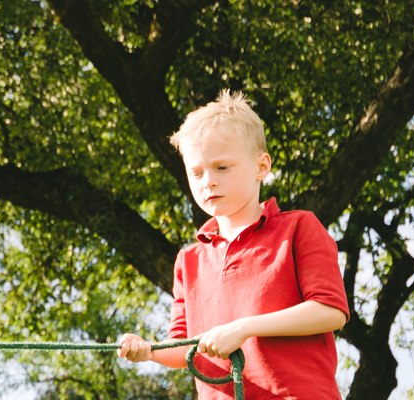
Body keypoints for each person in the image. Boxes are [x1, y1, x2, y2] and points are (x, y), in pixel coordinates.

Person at [117, 90, 350, 399]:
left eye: (222, 167)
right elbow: (186, 347)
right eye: (197, 172)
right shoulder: (189, 260)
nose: (208, 181)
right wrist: (148, 351)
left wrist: (244, 327)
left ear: (261, 166)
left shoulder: (298, 227)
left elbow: (330, 310)